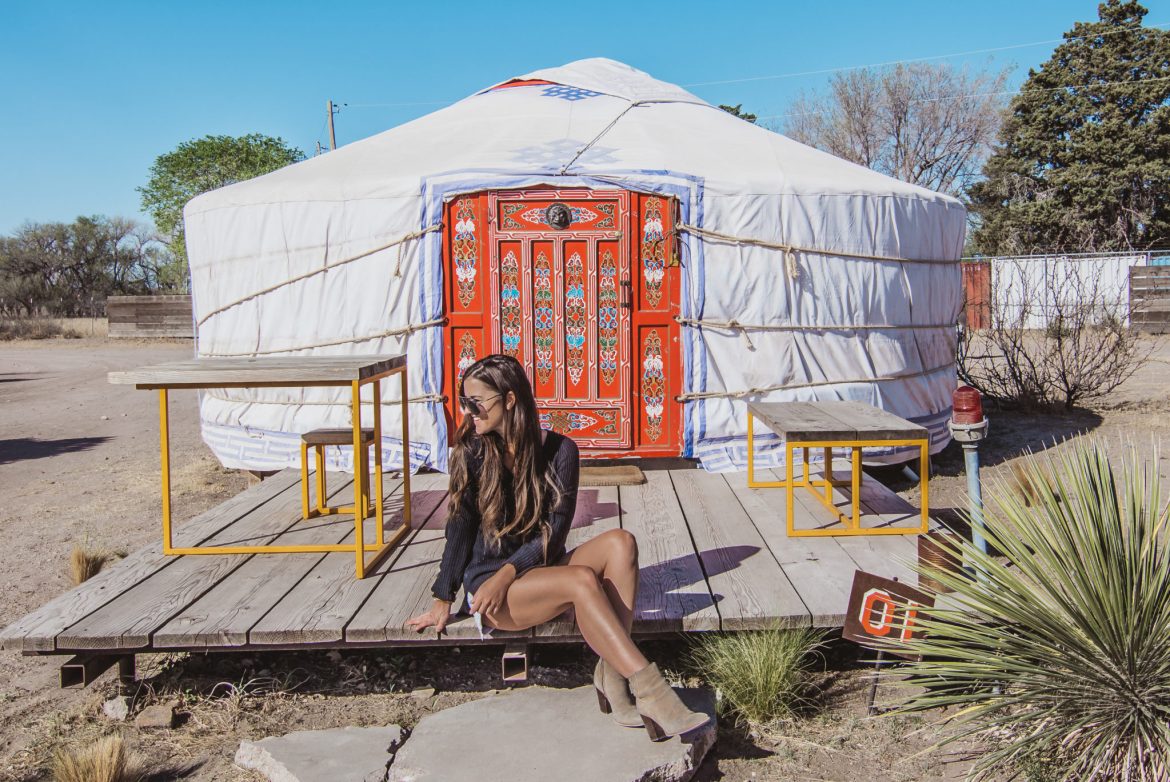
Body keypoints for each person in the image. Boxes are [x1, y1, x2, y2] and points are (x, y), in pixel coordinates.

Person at [406, 354, 709, 741]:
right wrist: (442, 597)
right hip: (493, 590)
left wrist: (510, 570)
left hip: (530, 569)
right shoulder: (473, 451)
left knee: (621, 543)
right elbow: (460, 530)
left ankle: (611, 675)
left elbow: (554, 532)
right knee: (582, 580)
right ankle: (653, 692)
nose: (468, 412)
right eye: (465, 402)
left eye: (476, 403)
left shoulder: (561, 451)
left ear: (510, 400)